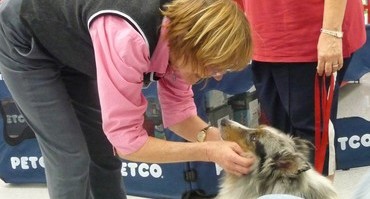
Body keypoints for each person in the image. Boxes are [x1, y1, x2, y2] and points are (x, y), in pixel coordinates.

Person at [0, 0, 254, 198]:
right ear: (192, 43)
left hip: (71, 46)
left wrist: (226, 145)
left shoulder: (181, 42)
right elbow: (127, 143)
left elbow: (180, 116)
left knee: (102, 152)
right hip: (25, 38)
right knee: (71, 155)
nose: (217, 76)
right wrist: (209, 152)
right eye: (213, 65)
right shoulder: (128, 35)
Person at [242, 0, 366, 176]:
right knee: (280, 141)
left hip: (310, 34)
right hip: (263, 34)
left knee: (312, 143)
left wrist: (331, 31)